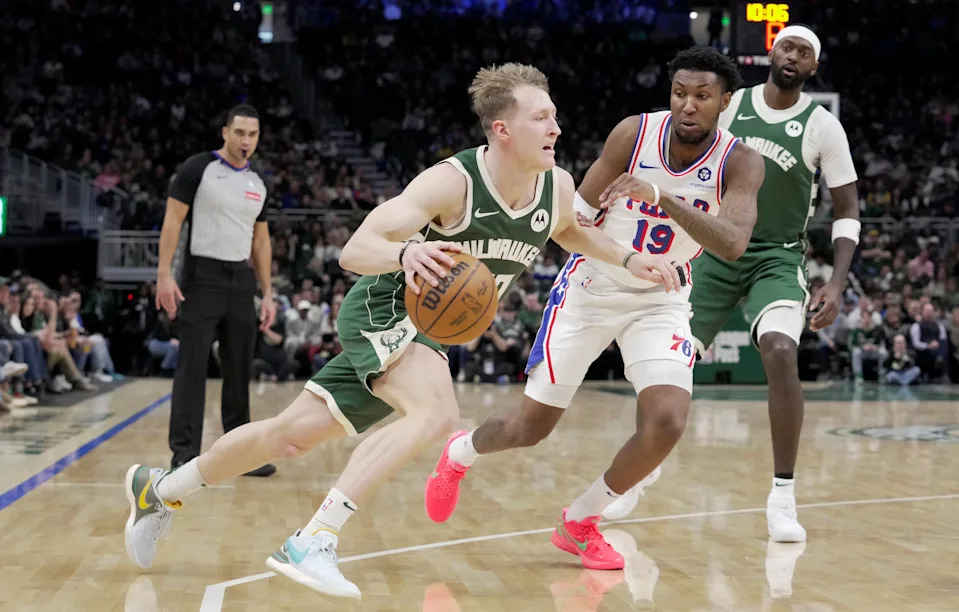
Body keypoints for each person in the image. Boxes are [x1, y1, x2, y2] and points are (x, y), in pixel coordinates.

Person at [123, 63, 680, 599]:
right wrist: (409, 251)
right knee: (437, 414)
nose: (556, 128)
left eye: (555, 116)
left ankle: (159, 489)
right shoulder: (451, 182)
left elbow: (573, 234)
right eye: (542, 117)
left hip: (428, 333)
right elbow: (354, 250)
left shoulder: (555, 186)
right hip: (384, 307)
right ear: (502, 129)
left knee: (289, 435)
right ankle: (313, 540)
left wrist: (631, 262)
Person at [423, 46, 764, 570]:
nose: (688, 105)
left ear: (725, 101)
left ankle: (581, 520)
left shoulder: (740, 161)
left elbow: (734, 243)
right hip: (592, 285)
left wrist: (662, 197)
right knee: (530, 429)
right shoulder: (633, 134)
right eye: (680, 93)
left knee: (668, 421)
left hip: (663, 295)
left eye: (702, 96)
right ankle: (461, 452)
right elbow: (572, 219)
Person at [688, 25, 859, 541]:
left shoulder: (822, 126)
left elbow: (848, 210)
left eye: (805, 52)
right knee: (667, 357)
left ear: (813, 69)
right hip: (716, 248)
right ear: (771, 52)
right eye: (787, 45)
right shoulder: (730, 103)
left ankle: (782, 496)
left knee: (781, 350)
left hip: (777, 257)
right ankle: (640, 469)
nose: (793, 55)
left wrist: (838, 281)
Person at [154, 104, 277, 476]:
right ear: (225, 132)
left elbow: (261, 243)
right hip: (201, 276)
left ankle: (239, 455)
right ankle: (183, 454)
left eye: (252, 135)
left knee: (239, 371)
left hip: (241, 282)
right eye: (239, 133)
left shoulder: (258, 183)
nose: (246, 141)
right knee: (192, 368)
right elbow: (173, 222)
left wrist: (267, 293)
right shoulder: (198, 169)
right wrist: (164, 274)